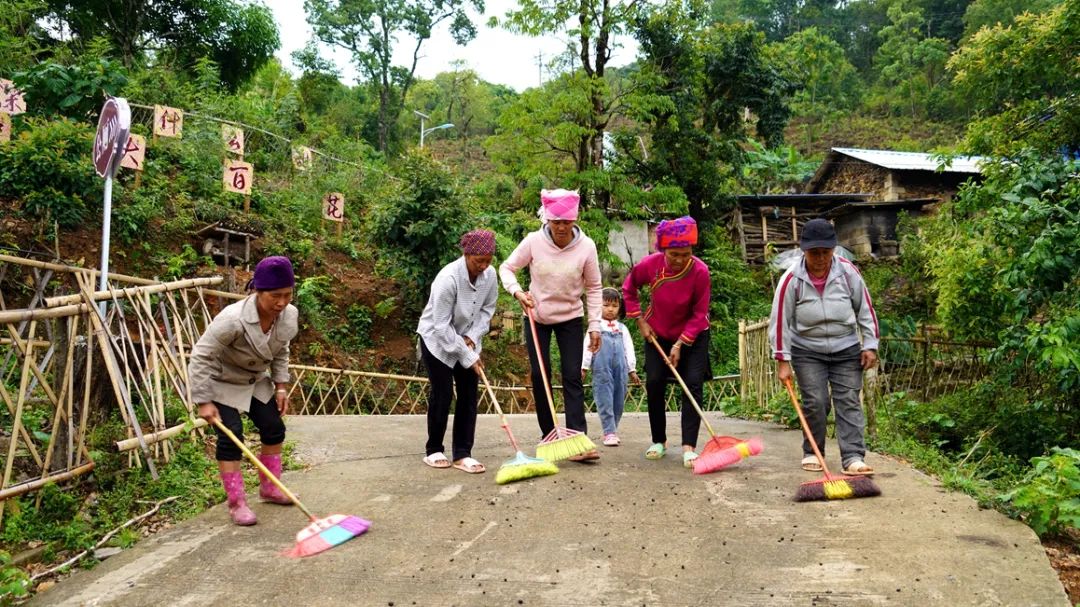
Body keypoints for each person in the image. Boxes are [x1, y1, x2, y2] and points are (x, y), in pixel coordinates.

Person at [190, 256, 298, 526]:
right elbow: (201, 356)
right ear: (257, 291)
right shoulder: (232, 320)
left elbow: (281, 349)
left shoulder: (288, 315)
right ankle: (236, 503)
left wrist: (281, 386)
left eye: (287, 295)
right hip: (221, 380)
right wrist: (203, 400)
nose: (282, 302)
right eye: (275, 296)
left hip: (252, 380)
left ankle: (270, 488)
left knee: (274, 427)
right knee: (232, 435)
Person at [768, 218, 880, 476]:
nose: (820, 258)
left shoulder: (848, 272)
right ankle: (813, 452)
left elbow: (865, 309)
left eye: (825, 252)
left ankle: (853, 457)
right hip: (807, 350)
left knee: (849, 400)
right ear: (803, 251)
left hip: (846, 347)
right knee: (816, 402)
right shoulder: (791, 280)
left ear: (833, 249)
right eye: (814, 253)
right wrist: (782, 360)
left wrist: (870, 345)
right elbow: (779, 321)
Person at [499, 189, 603, 461]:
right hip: (537, 317)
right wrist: (518, 292)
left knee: (572, 375)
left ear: (574, 221)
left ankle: (578, 438)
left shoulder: (587, 246)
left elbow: (593, 287)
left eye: (566, 222)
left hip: (570, 317)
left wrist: (595, 325)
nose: (560, 227)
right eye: (555, 222)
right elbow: (506, 268)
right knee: (539, 374)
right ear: (546, 220)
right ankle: (550, 436)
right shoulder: (533, 241)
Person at [622, 216, 712, 468]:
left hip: (693, 335)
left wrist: (681, 344)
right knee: (654, 381)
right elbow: (628, 288)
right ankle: (658, 441)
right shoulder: (650, 265)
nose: (681, 259)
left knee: (692, 384)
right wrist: (639, 320)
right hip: (657, 332)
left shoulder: (701, 272)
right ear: (663, 250)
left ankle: (689, 447)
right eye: (674, 254)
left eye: (686, 253)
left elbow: (700, 312)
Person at [417, 229, 499, 474]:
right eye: (478, 261)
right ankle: (434, 450)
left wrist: (472, 338)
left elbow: (487, 311)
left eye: (488, 260)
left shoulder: (490, 275)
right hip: (436, 340)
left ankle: (463, 453)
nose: (483, 266)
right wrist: (466, 354)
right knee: (442, 393)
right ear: (466, 254)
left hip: (468, 338)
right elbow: (441, 326)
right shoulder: (448, 278)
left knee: (468, 394)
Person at [581, 288, 641, 447]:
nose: (610, 309)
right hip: (602, 368)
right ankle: (609, 431)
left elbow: (629, 349)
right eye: (606, 305)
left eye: (614, 306)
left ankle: (613, 428)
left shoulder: (623, 329)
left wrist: (632, 369)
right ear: (598, 306)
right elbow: (588, 348)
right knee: (604, 397)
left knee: (619, 399)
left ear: (619, 308)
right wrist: (584, 367)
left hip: (620, 369)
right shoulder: (595, 328)